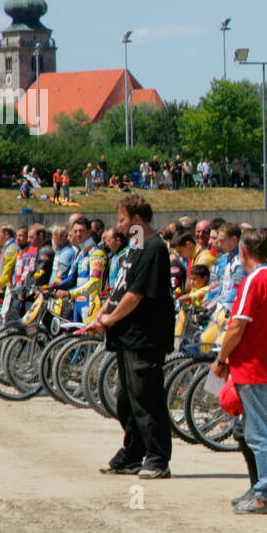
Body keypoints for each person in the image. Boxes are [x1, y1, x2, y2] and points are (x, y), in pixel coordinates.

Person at [94, 194, 175, 479]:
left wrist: (111, 318)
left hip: (146, 338)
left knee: (147, 398)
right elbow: (120, 287)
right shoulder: (135, 246)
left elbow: (137, 294)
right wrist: (103, 313)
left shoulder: (154, 248)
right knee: (125, 399)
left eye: (122, 220)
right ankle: (133, 451)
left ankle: (157, 458)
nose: (119, 226)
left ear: (137, 220)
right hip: (126, 337)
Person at [212, 230, 267, 513]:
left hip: (254, 368)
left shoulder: (255, 280)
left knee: (261, 434)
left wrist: (221, 359)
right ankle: (264, 490)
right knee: (261, 432)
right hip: (262, 365)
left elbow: (237, 325)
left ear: (243, 251)